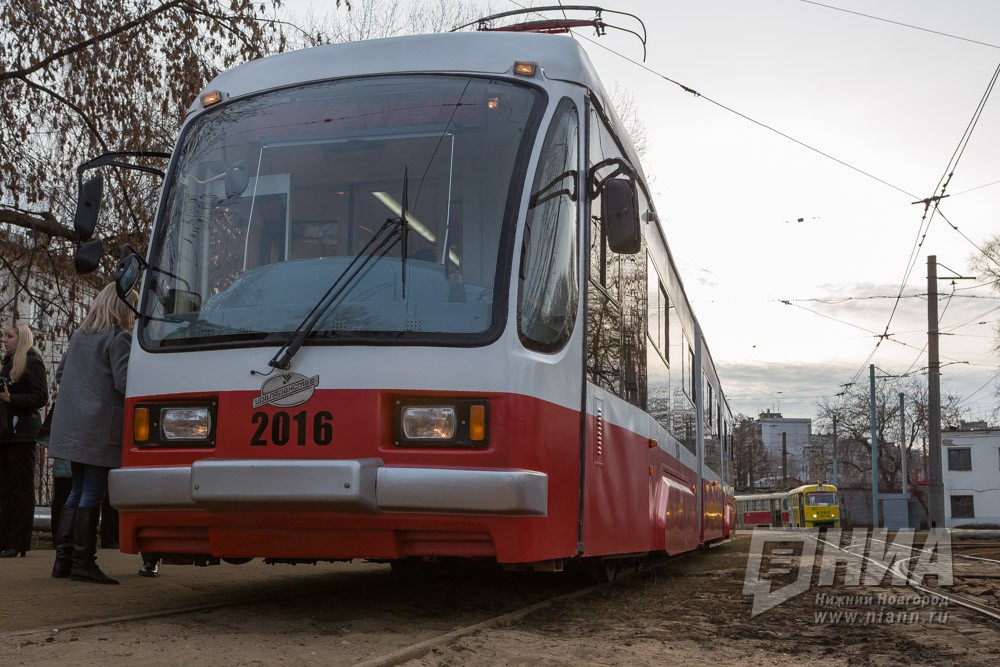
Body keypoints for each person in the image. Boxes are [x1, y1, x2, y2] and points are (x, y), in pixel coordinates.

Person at [47, 284, 133, 584]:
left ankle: (64, 561)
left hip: (73, 427)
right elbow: (124, 383)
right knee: (93, 493)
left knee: (76, 490)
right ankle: (84, 562)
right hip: (100, 428)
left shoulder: (80, 336)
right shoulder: (119, 337)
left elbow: (60, 375)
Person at [0, 323, 49, 558]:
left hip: (22, 433)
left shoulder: (31, 360)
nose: (4, 340)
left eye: (9, 336)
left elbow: (41, 396)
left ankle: (18, 542)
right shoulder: (8, 363)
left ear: (22, 338)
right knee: (6, 488)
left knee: (21, 488)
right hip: (7, 433)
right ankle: (6, 539)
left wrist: (13, 399)